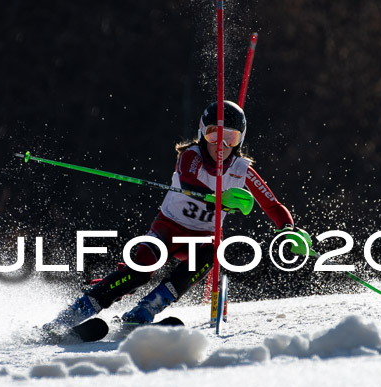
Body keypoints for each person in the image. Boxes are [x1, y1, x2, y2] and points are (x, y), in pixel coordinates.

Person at [43, 100, 311, 335]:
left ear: (240, 140)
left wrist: (288, 229)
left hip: (201, 239)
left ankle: (145, 310)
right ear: (201, 133)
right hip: (168, 229)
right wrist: (221, 198)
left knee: (211, 253)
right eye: (214, 135)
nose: (221, 145)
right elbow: (188, 179)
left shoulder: (242, 170)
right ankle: (74, 314)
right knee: (141, 268)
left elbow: (272, 204)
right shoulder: (191, 155)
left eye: (230, 137)